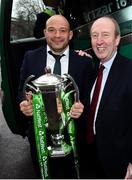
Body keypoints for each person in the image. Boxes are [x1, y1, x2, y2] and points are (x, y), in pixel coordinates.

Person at [18, 14, 93, 178]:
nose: (57, 35)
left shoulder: (84, 62)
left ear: (70, 34)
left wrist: (82, 107)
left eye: (62, 30)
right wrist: (24, 102)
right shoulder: (30, 57)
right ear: (45, 32)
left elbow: (89, 97)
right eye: (51, 30)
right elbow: (22, 90)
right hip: (40, 137)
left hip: (74, 136)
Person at [80, 16, 132, 179]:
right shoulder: (93, 72)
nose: (99, 41)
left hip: (120, 162)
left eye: (105, 35)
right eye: (94, 36)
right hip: (93, 157)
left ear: (117, 39)